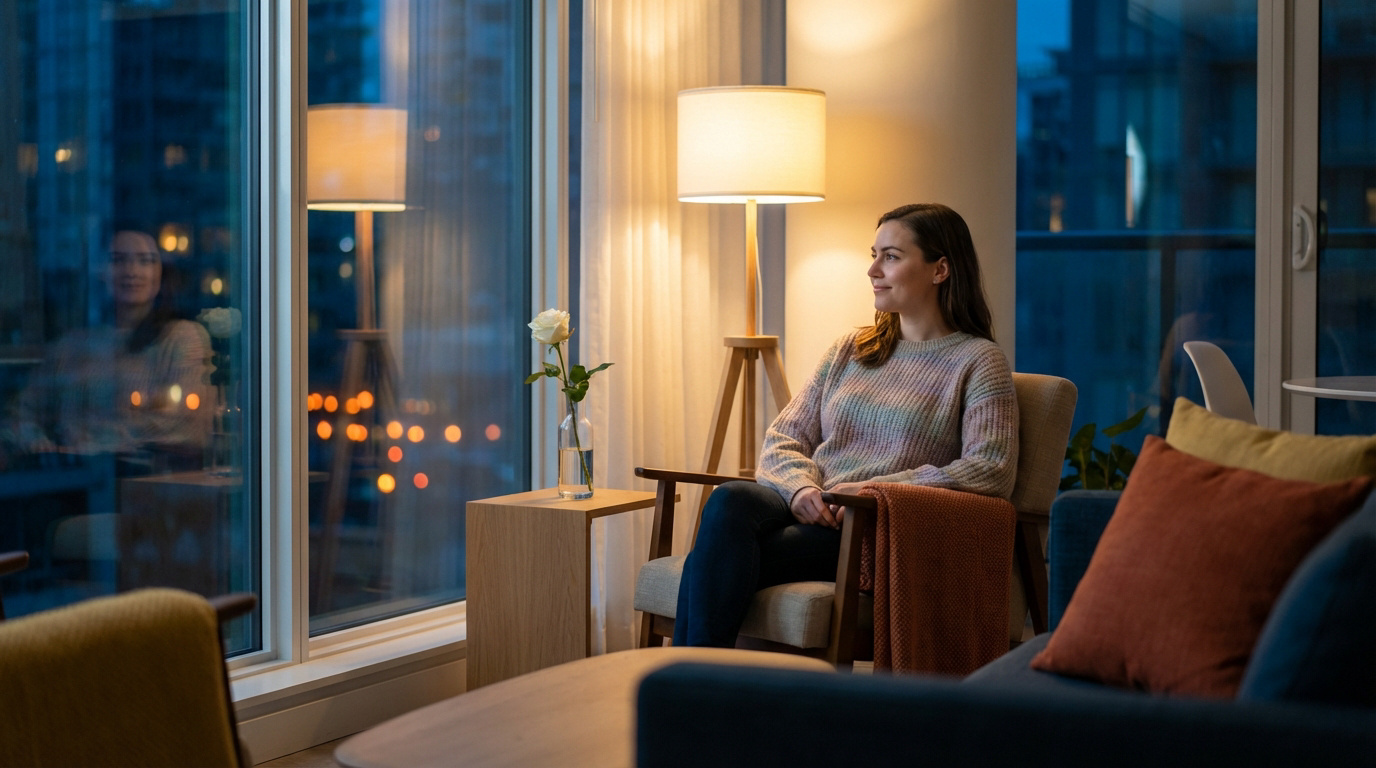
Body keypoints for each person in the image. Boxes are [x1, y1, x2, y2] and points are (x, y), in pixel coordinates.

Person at [673, 203, 1020, 648]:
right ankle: (696, 690)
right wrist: (800, 490)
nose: (873, 269)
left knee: (711, 559)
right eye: (873, 254)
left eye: (891, 256)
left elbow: (991, 467)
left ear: (941, 269)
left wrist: (877, 490)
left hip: (875, 529)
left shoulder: (977, 361)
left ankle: (684, 690)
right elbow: (784, 437)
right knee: (732, 498)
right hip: (814, 509)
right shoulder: (851, 348)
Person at [4, 230, 212, 473]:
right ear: (99, 270)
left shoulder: (181, 338)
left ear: (160, 273)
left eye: (145, 261)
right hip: (61, 478)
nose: (132, 271)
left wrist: (87, 444)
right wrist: (37, 443)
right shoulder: (71, 344)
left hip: (138, 485)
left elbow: (183, 424)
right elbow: (21, 413)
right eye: (118, 260)